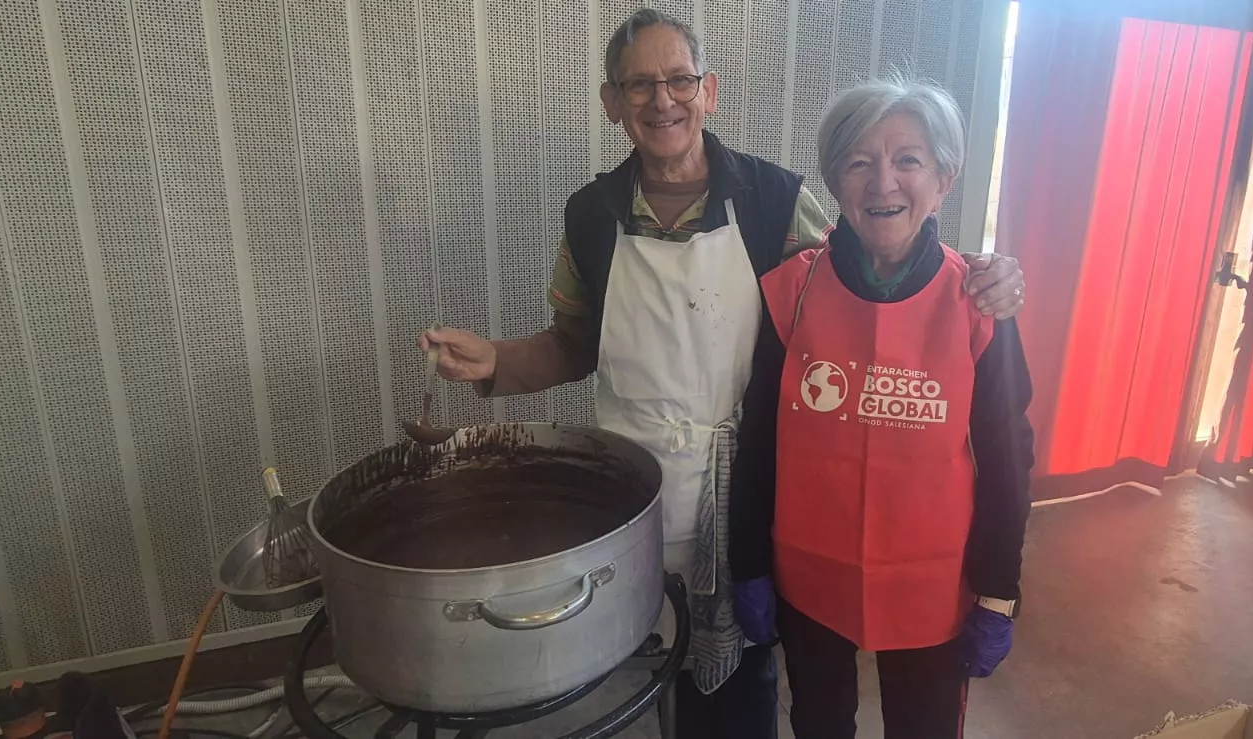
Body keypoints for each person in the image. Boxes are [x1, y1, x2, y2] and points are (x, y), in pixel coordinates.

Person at [421, 11, 1026, 738]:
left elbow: (879, 256)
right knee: (655, 672)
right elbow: (575, 343)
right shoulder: (590, 217)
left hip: (746, 494)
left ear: (709, 91)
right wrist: (499, 361)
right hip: (637, 489)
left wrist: (988, 279)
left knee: (745, 698)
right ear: (612, 103)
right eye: (639, 85)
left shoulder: (776, 201)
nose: (662, 100)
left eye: (679, 79)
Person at [741, 77, 1035, 739]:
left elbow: (1009, 455)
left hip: (934, 585)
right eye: (859, 161)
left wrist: (998, 589)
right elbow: (755, 441)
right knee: (817, 722)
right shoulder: (791, 289)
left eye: (908, 159)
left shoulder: (980, 302)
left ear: (944, 179)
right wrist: (749, 563)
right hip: (809, 574)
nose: (883, 183)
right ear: (834, 180)